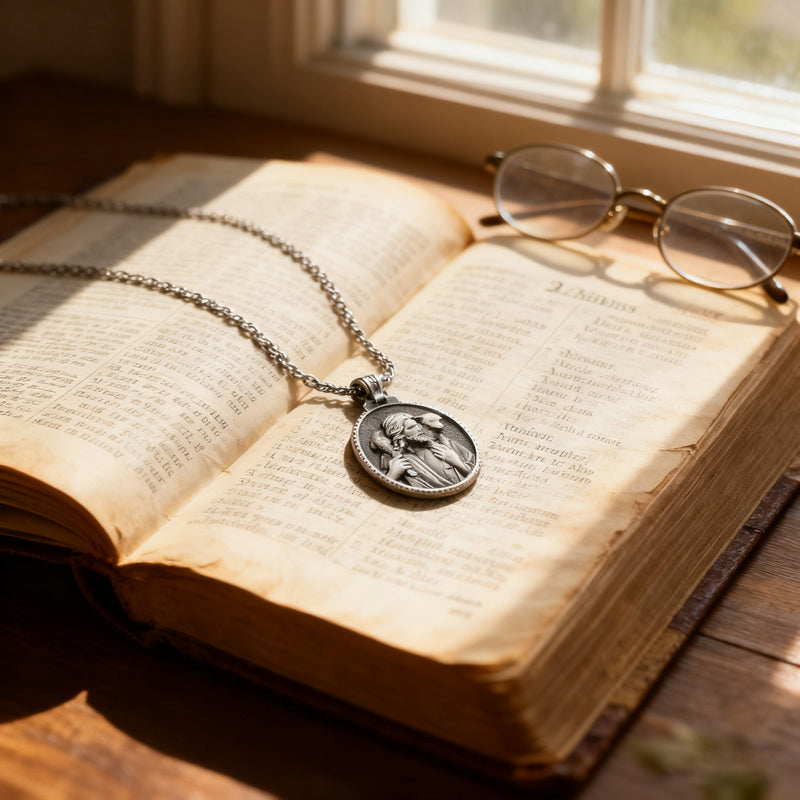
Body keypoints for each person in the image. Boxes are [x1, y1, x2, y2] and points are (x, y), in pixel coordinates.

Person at [376, 411, 474, 489]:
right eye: (411, 428)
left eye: (417, 425)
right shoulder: (399, 462)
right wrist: (392, 475)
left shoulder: (451, 446)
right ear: (399, 435)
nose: (418, 429)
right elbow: (383, 491)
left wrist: (457, 463)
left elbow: (473, 472)